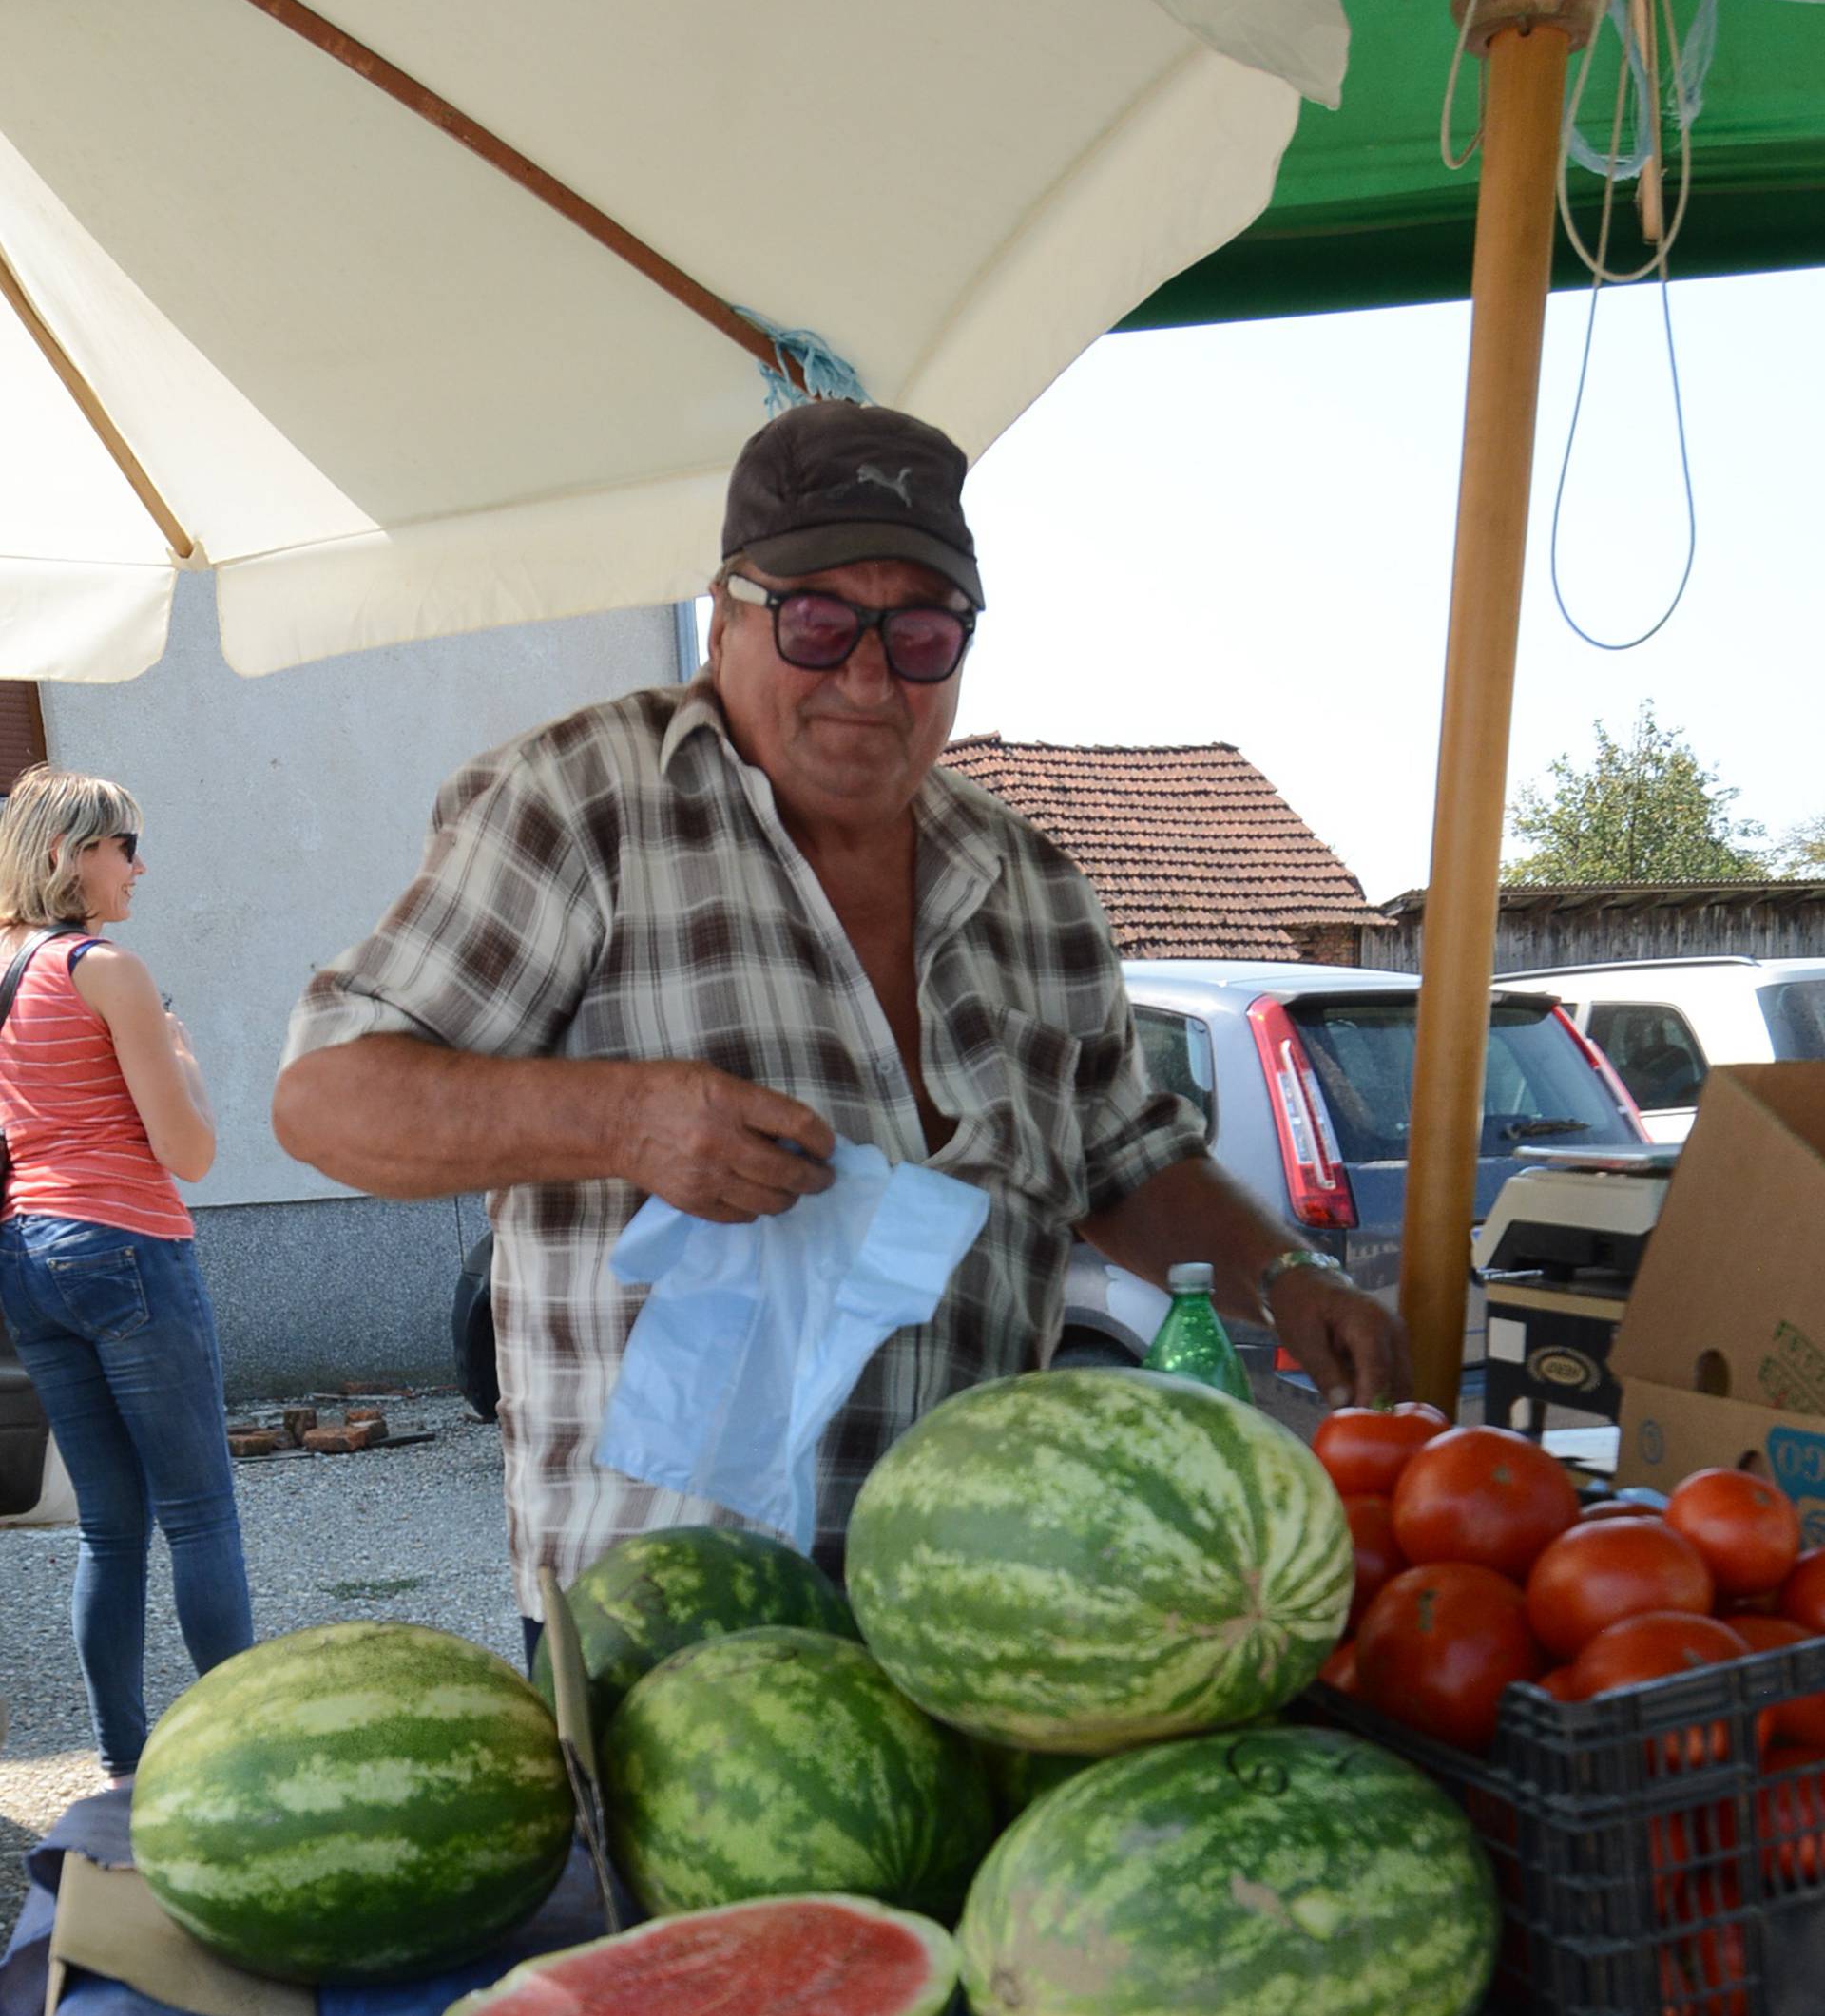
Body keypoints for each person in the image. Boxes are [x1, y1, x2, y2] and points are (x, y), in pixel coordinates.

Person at [274, 403, 1406, 1623]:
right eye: (818, 623)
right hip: (663, 1636)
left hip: (965, 1616)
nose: (869, 678)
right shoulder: (585, 802)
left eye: (920, 634)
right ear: (725, 619)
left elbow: (1122, 1160)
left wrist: (1288, 1280)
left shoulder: (1035, 885)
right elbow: (329, 1097)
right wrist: (620, 1120)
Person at [0, 769, 253, 1782]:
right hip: (125, 1244)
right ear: (67, 852)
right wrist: (183, 1048)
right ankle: (247, 1753)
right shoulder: (106, 969)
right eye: (124, 844)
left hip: (27, 1256)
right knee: (199, 1510)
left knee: (109, 1524)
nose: (139, 865)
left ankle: (120, 1759)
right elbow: (189, 1150)